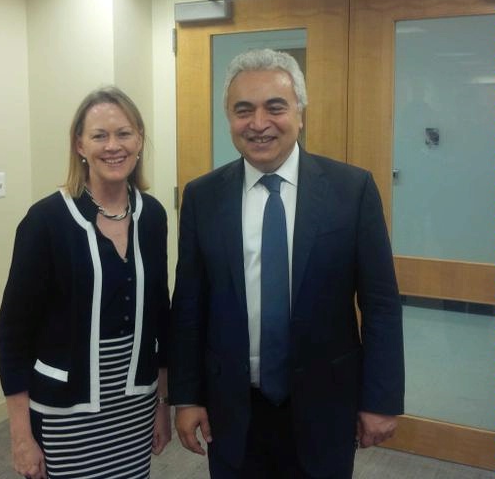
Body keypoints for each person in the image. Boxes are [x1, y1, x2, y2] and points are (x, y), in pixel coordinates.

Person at [169, 49, 404, 479]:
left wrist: (381, 398)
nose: (259, 123)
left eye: (275, 107)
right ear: (229, 118)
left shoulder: (351, 190)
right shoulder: (203, 197)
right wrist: (187, 397)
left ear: (300, 112)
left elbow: (381, 304)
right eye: (244, 110)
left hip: (325, 405)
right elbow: (188, 306)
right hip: (232, 409)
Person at [0, 87, 171, 479]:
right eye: (99, 135)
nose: (114, 146)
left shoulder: (153, 216)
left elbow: (161, 316)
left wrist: (163, 403)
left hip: (134, 405)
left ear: (140, 139)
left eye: (124, 133)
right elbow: (12, 334)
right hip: (64, 412)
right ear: (79, 144)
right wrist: (21, 436)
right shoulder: (46, 221)